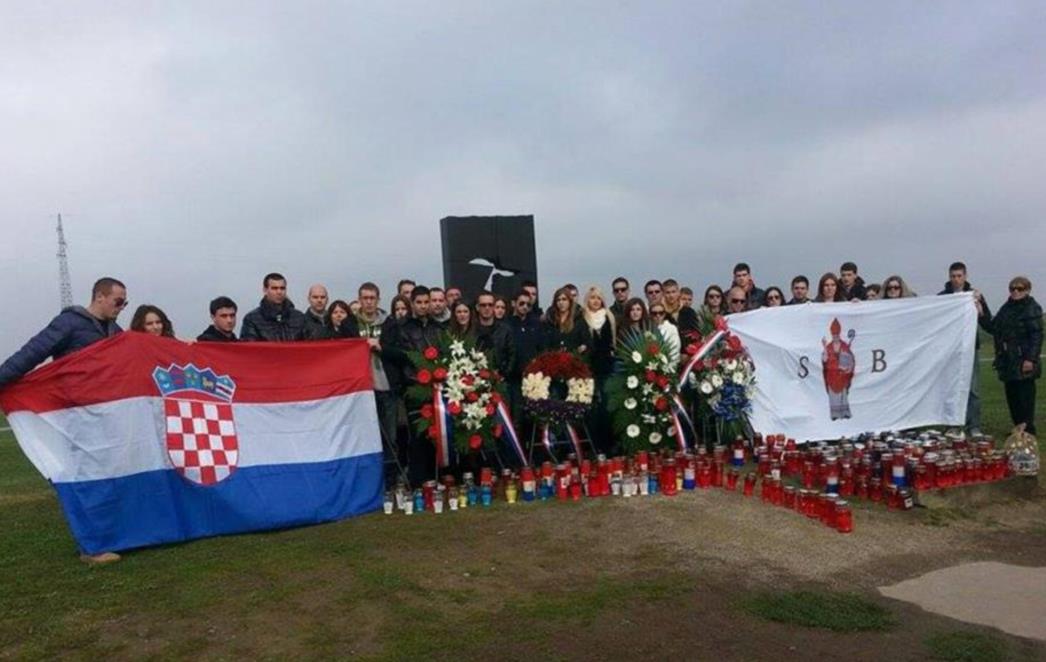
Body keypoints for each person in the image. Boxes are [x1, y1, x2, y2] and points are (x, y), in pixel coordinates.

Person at [0, 276, 127, 564]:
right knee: (85, 481)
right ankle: (91, 548)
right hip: (77, 418)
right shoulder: (69, 323)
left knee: (109, 478)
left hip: (104, 418)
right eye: (119, 301)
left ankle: (110, 535)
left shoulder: (113, 330)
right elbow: (30, 354)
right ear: (100, 297)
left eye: (125, 303)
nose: (122, 307)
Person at [938, 262, 994, 436]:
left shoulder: (974, 296)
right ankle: (952, 424)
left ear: (965, 276)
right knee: (950, 388)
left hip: (970, 348)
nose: (956, 279)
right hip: (949, 350)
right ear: (949, 277)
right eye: (953, 276)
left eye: (959, 276)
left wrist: (980, 309)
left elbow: (988, 324)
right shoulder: (943, 297)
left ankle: (974, 425)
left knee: (973, 389)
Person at [986, 276, 1041, 435]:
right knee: (1013, 397)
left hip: (1024, 359)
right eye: (1012, 288)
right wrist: (981, 311)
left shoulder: (1032, 308)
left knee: (1025, 397)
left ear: (1028, 290)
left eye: (1020, 288)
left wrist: (1030, 359)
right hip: (1008, 361)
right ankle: (1018, 427)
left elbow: (1036, 335)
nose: (1016, 291)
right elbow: (994, 327)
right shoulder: (1007, 307)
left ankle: (1028, 429)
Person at [354, 282, 398, 457]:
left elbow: (401, 353)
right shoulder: (350, 324)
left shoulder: (390, 324)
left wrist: (382, 348)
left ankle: (392, 479)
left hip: (386, 388)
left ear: (378, 300)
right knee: (365, 439)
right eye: (365, 298)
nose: (369, 302)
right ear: (359, 300)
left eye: (372, 298)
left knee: (391, 437)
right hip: (361, 392)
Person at [240, 273, 307, 341]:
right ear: (265, 290)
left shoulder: (299, 317)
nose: (279, 292)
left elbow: (307, 345)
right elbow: (249, 348)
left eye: (282, 288)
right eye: (274, 288)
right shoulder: (252, 319)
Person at [474, 291, 515, 378]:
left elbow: (512, 356)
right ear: (477, 307)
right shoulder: (471, 331)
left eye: (490, 305)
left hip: (500, 380)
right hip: (475, 380)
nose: (487, 308)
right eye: (483, 305)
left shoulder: (505, 330)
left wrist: (503, 375)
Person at [544, 287, 588, 353]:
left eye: (564, 299)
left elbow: (586, 341)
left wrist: (583, 347)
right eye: (558, 300)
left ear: (570, 301)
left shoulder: (578, 320)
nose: (561, 302)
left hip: (573, 358)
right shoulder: (550, 320)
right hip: (554, 358)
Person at [648, 302, 680, 368]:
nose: (658, 315)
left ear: (664, 314)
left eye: (661, 313)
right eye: (654, 313)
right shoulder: (647, 329)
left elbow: (675, 349)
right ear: (650, 315)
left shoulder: (671, 328)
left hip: (668, 366)